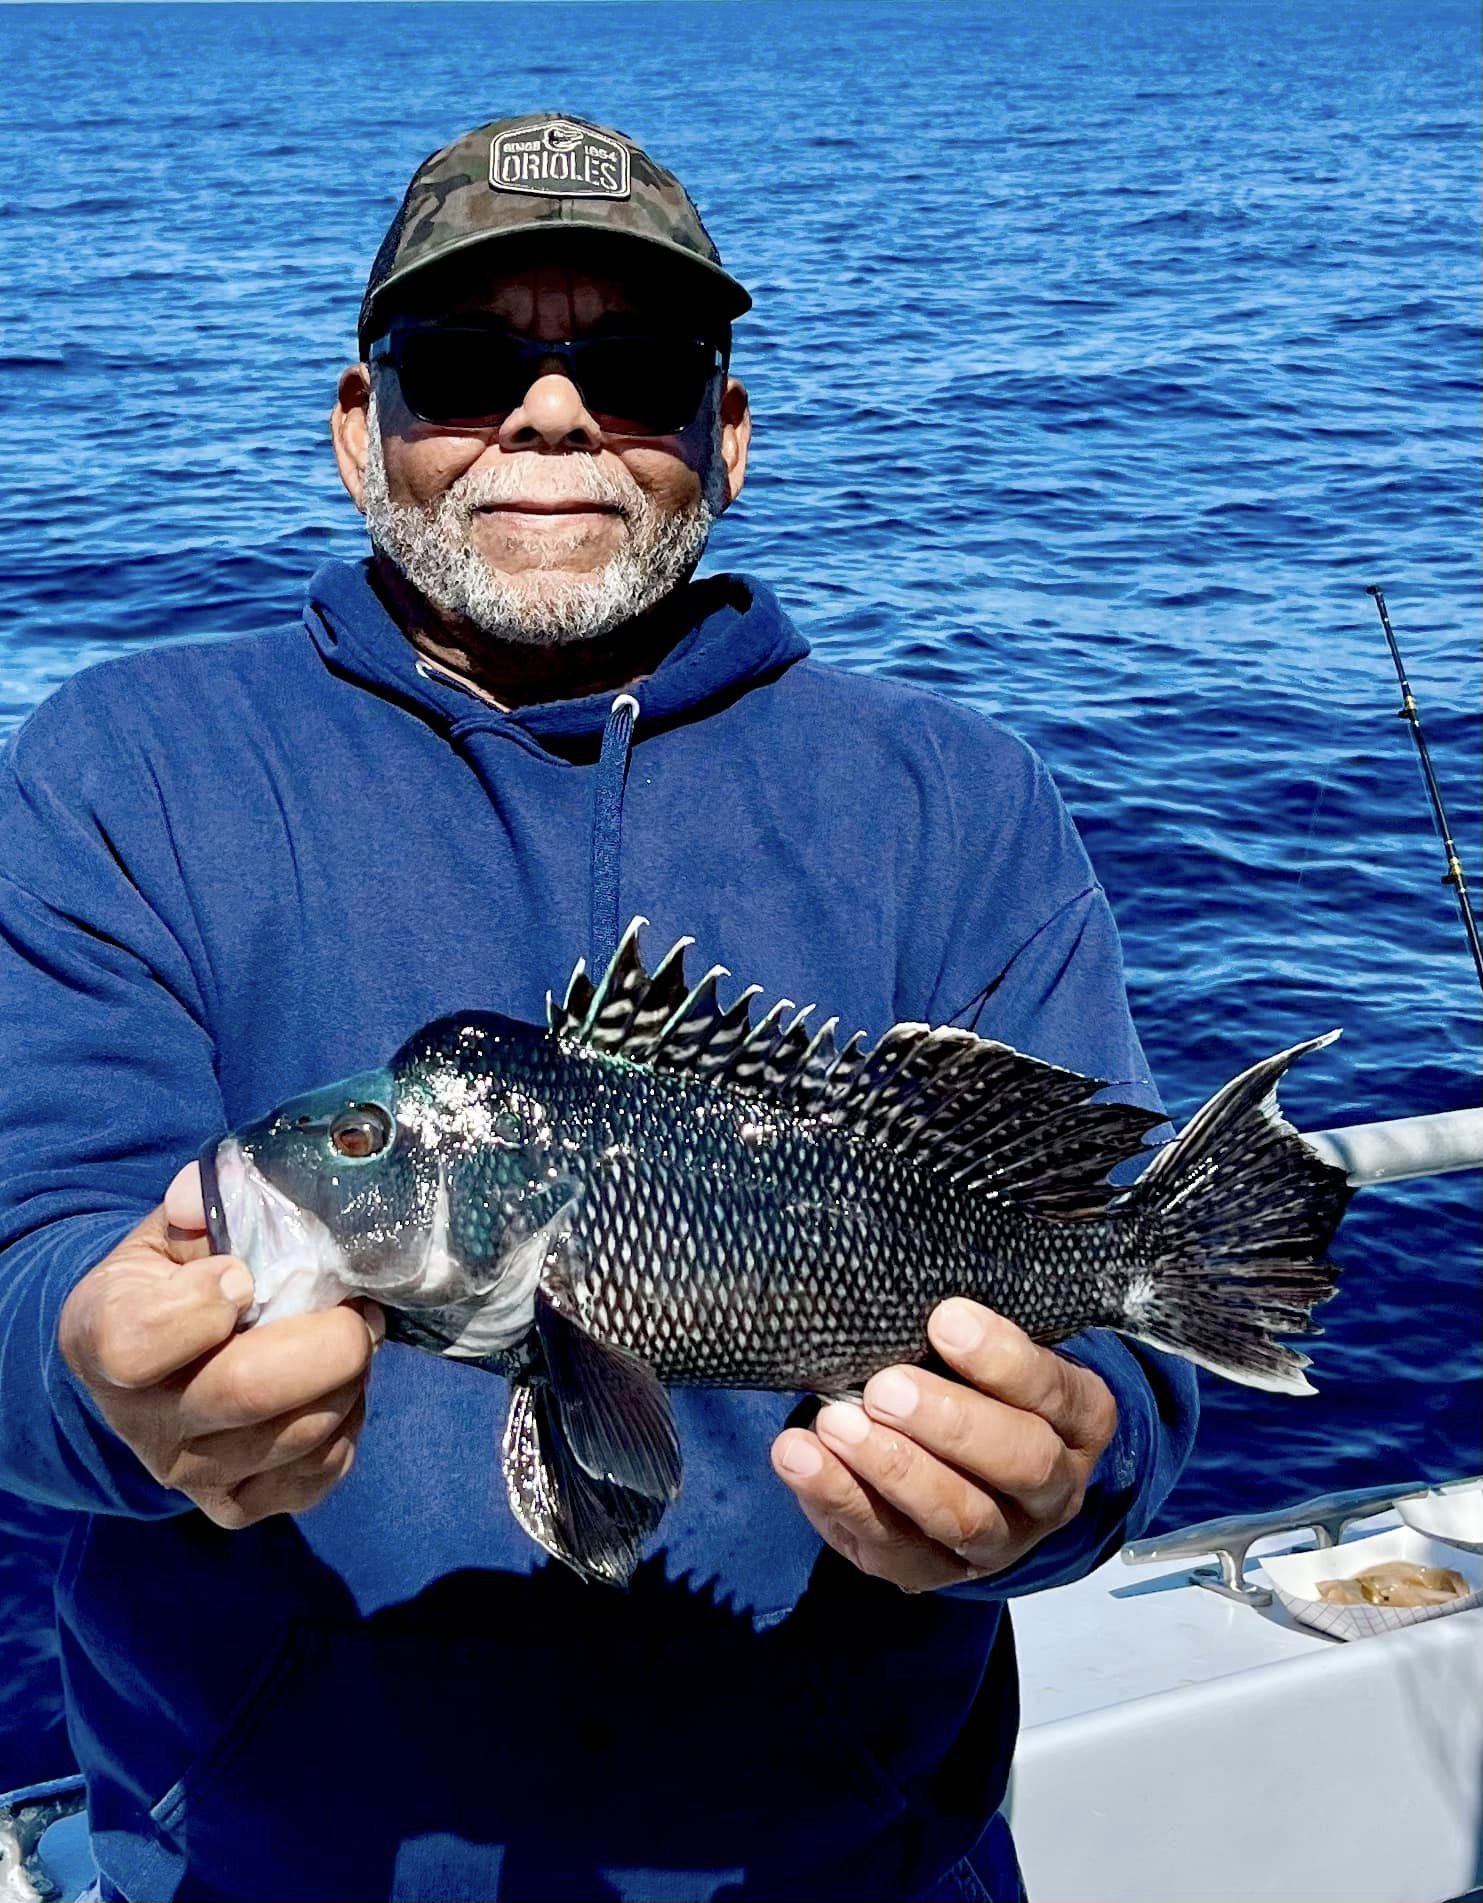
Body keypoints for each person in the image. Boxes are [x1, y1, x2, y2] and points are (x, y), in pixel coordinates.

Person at [0, 113, 1197, 1903]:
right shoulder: (130, 767)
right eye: (463, 366)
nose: (550, 416)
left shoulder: (954, 799)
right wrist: (101, 1377)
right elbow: (24, 1275)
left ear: (727, 435)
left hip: (854, 1870)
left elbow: (1126, 1363)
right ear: (360, 427)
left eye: (632, 372)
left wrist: (1064, 1470)